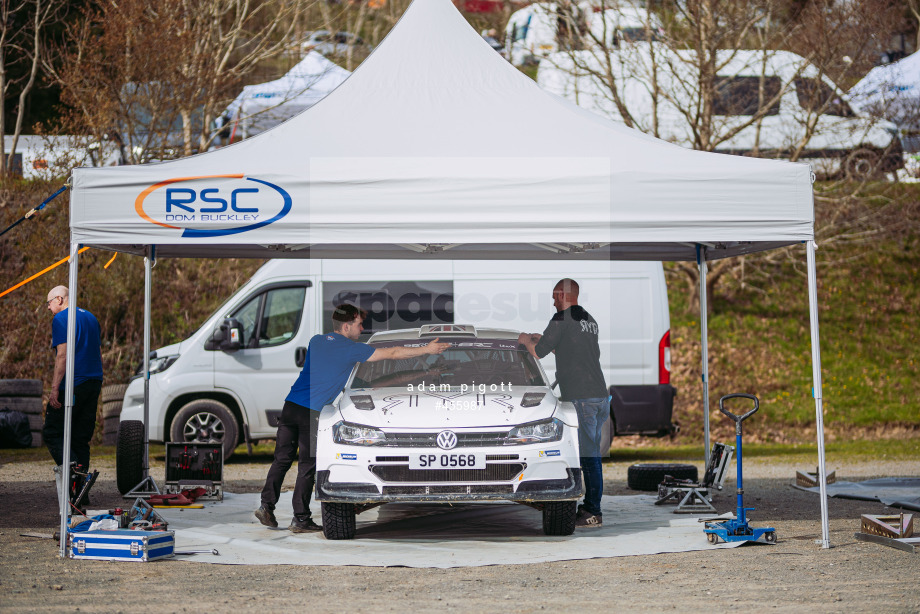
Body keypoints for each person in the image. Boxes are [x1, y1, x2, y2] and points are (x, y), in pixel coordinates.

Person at [254, 303, 450, 533]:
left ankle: (266, 506)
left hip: (290, 407)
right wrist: (426, 350)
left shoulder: (316, 341)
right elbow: (394, 353)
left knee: (281, 460)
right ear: (347, 326)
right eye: (359, 324)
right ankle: (300, 518)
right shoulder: (351, 349)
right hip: (311, 412)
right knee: (307, 466)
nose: (362, 328)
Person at [518, 279, 609, 528]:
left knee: (589, 457)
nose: (553, 301)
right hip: (599, 395)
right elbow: (576, 350)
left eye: (554, 296)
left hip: (582, 397)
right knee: (591, 455)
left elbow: (538, 353)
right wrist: (545, 339)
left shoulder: (560, 319)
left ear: (561, 294)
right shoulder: (589, 320)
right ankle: (591, 506)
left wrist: (527, 340)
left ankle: (592, 512)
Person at [42, 286, 103, 476]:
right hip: (94, 381)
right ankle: (80, 492)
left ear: (59, 300)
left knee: (52, 432)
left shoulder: (61, 319)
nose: (49, 308)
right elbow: (99, 353)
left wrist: (54, 389)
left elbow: (63, 356)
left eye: (49, 303)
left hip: (73, 383)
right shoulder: (91, 317)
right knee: (80, 438)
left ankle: (73, 473)